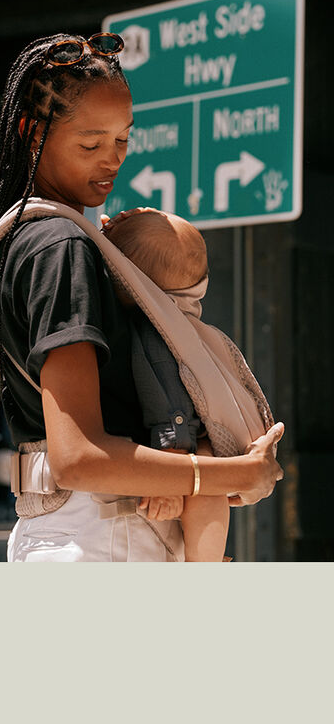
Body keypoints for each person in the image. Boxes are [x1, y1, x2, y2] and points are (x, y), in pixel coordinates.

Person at [0, 32, 284, 562]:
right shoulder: (62, 245)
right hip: (104, 535)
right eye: (91, 144)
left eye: (123, 139)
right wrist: (237, 472)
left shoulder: (11, 240)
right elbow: (80, 455)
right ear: (32, 134)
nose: (112, 160)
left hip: (65, 532)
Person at [102, 207, 261, 561]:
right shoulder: (190, 325)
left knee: (203, 487)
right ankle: (207, 561)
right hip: (203, 432)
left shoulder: (154, 329)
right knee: (211, 492)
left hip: (180, 438)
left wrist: (172, 462)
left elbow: (168, 400)